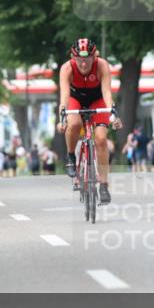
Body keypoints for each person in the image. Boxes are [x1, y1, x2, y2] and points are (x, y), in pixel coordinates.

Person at [57, 38, 121, 205]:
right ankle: (71, 156)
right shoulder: (66, 68)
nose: (83, 63)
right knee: (75, 124)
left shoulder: (102, 66)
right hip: (75, 99)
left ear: (95, 56)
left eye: (87, 59)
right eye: (79, 59)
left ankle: (104, 186)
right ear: (73, 57)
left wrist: (113, 115)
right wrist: (62, 118)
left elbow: (107, 93)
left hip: (97, 100)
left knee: (100, 139)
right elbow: (64, 96)